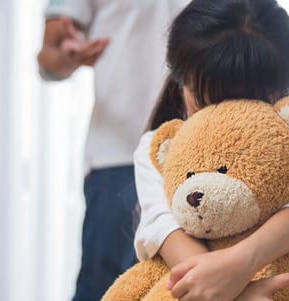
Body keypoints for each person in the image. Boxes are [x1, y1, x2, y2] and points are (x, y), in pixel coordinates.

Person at [132, 0, 289, 300]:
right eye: (204, 102)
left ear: (280, 88)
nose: (222, 117)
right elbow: (163, 227)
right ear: (180, 80)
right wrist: (239, 291)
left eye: (245, 102)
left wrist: (241, 265)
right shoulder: (158, 148)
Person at [36, 1, 190, 300]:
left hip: (204, 152)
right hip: (120, 159)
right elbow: (49, 59)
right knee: (106, 289)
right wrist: (70, 58)